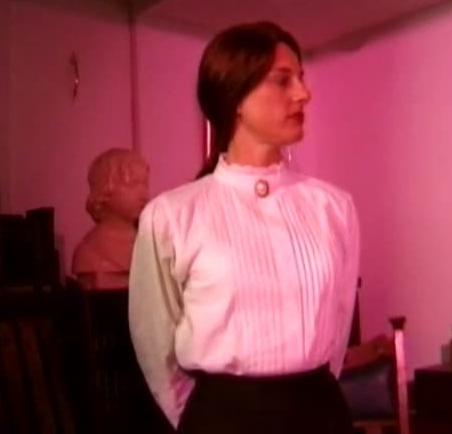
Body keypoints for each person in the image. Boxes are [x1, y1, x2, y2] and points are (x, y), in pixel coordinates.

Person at [128, 21, 360, 434]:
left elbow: (339, 327)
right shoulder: (171, 215)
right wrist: (205, 418)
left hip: (320, 413)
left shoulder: (333, 208)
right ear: (235, 95)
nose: (303, 93)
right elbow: (154, 341)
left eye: (301, 78)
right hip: (224, 420)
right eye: (283, 80)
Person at [71, 147, 150, 289]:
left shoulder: (149, 243)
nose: (144, 194)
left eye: (145, 184)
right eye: (133, 184)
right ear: (105, 189)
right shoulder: (90, 251)